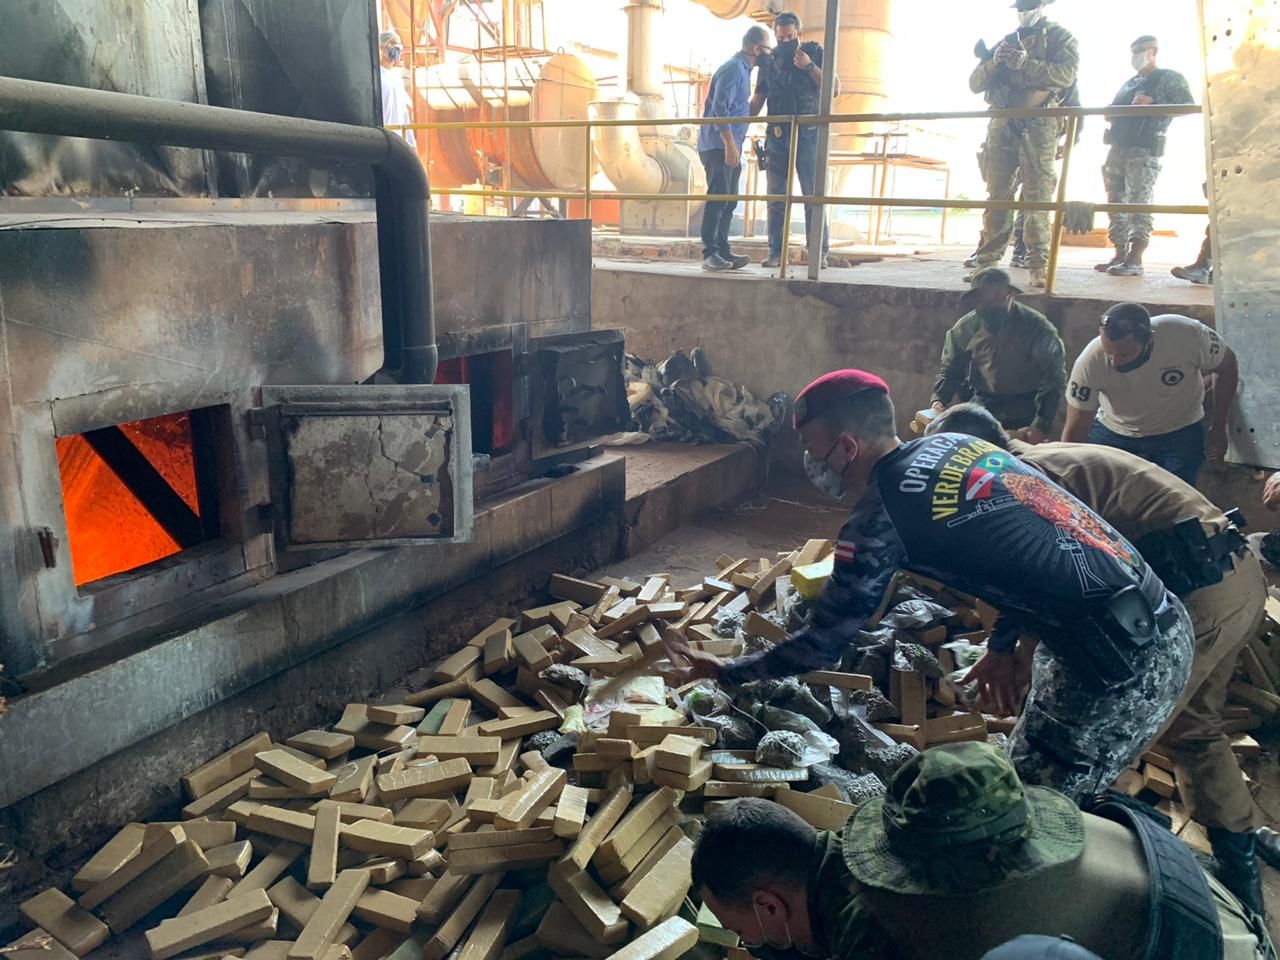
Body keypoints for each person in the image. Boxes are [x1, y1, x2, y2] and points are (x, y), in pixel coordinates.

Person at [673, 370, 1194, 799]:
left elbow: (826, 640)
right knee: (1031, 778)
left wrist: (729, 671)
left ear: (847, 447)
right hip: (1156, 616)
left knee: (1035, 811)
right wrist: (1002, 645)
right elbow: (1035, 539)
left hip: (1118, 664)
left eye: (812, 449)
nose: (810, 463)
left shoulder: (879, 519)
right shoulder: (957, 444)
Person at [929, 401, 1272, 916]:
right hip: (1232, 579)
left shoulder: (1027, 477)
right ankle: (1240, 855)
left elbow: (1046, 575)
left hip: (1194, 594)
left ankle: (1088, 883)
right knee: (1194, 727)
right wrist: (1010, 649)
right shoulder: (1043, 461)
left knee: (1098, 742)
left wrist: (1010, 654)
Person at [691, 746, 1273, 960]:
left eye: (741, 930)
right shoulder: (1006, 831)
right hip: (1216, 910)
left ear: (768, 905)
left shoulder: (891, 928)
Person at [1062, 303, 1238, 486]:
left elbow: (1227, 365)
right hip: (1115, 430)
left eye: (1124, 354)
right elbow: (1076, 429)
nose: (1114, 362)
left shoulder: (1188, 335)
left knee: (1176, 496)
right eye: (1109, 353)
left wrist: (1219, 427)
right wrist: (1066, 478)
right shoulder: (1090, 361)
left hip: (1180, 430)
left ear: (1149, 341)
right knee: (1098, 491)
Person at [967, 0, 1078, 289]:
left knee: (1037, 198)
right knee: (997, 196)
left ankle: (1039, 267)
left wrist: (1026, 63)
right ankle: (987, 265)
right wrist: (995, 62)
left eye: (1028, 6)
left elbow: (1066, 76)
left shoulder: (1060, 38)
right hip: (1003, 124)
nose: (1023, 12)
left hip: (1039, 123)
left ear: (1042, 6)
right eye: (1020, 7)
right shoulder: (1006, 41)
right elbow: (975, 83)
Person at [1095, 36, 1195, 277]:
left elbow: (1187, 105)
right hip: (1118, 147)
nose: (1136, 55)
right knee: (1115, 202)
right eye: (1133, 51)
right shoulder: (1130, 83)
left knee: (1139, 202)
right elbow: (1112, 108)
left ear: (1154, 52)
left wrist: (1154, 102)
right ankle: (1120, 253)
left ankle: (1135, 258)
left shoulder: (1167, 78)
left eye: (1141, 50)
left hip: (1144, 149)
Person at [931, 267, 1066, 442]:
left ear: (1010, 294)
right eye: (984, 299)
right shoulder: (965, 329)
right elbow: (951, 371)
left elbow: (1053, 378)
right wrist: (939, 400)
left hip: (1026, 405)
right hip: (983, 402)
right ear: (975, 300)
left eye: (997, 296)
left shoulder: (1036, 327)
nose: (991, 304)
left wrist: (1041, 424)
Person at [752, 11, 830, 270]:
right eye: (781, 37)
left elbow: (834, 88)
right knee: (776, 197)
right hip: (777, 136)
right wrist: (731, 123)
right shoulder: (769, 62)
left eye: (790, 36)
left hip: (808, 134)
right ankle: (776, 252)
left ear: (799, 34)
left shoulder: (814, 53)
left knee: (812, 196)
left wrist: (808, 66)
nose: (785, 41)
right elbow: (758, 99)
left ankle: (817, 253)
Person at [698, 26, 773, 272]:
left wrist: (763, 87)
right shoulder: (733, 69)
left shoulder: (745, 71)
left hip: (732, 145)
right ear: (756, 48)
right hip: (718, 145)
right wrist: (729, 144)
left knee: (729, 200)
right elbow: (720, 107)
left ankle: (723, 249)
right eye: (768, 49)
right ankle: (710, 253)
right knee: (718, 198)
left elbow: (746, 110)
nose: (770, 54)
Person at [378, 31, 416, 148]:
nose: (397, 48)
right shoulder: (376, 76)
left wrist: (411, 142)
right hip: (382, 137)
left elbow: (403, 112)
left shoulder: (396, 77)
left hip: (398, 138)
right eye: (393, 44)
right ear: (382, 48)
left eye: (399, 44)